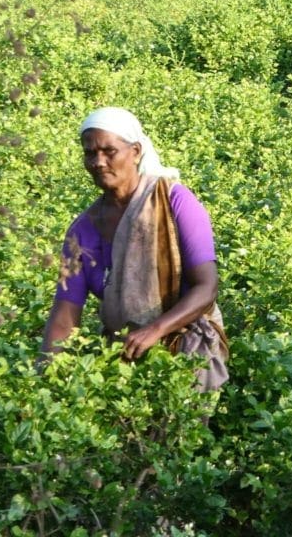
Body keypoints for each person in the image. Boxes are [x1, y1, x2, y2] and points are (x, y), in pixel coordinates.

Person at [41, 107, 228, 391]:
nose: (98, 162)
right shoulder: (82, 231)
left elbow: (207, 286)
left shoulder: (174, 201)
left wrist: (155, 330)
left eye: (109, 151)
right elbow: (65, 315)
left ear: (136, 151)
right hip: (124, 353)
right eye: (89, 153)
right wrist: (43, 382)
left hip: (185, 344)